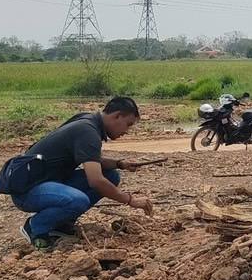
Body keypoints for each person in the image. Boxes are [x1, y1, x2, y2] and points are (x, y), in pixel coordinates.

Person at [14, 96, 154, 249]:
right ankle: (35, 227)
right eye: (128, 124)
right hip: (27, 191)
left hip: (50, 182)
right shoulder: (88, 132)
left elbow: (90, 158)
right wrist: (130, 200)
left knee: (111, 175)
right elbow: (96, 180)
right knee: (79, 200)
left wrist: (119, 164)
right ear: (117, 116)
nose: (126, 131)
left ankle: (60, 224)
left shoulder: (87, 121)